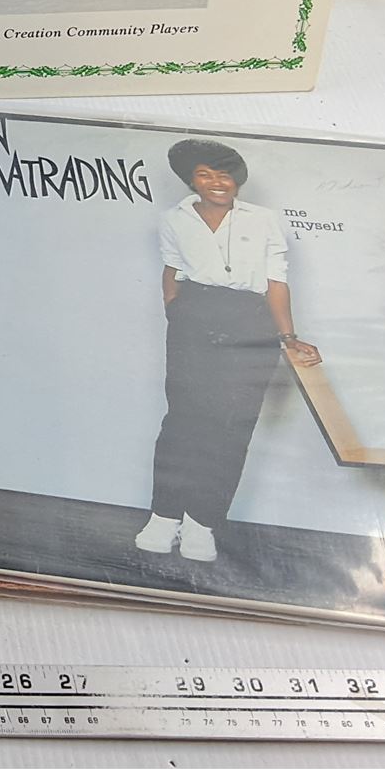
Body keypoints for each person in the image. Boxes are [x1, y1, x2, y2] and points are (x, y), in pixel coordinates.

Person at [135, 140, 321, 565]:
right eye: (205, 174)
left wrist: (289, 336)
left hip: (251, 321)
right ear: (191, 180)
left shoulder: (264, 219)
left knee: (231, 426)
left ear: (236, 180)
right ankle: (164, 517)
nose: (216, 182)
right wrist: (178, 313)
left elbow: (276, 280)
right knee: (184, 421)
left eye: (224, 175)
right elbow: (171, 270)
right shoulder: (173, 219)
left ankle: (201, 523)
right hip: (195, 318)